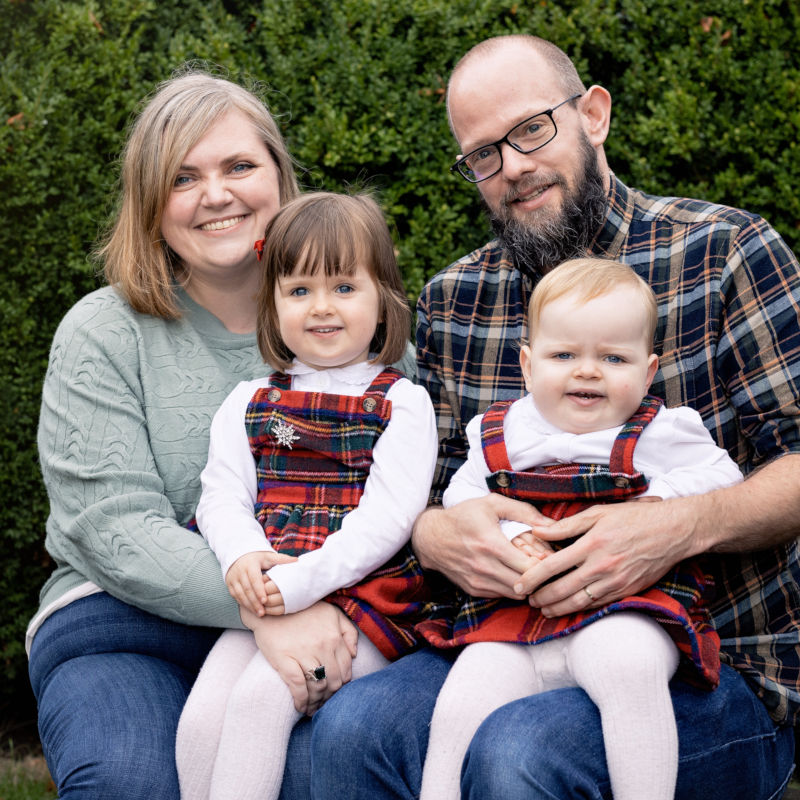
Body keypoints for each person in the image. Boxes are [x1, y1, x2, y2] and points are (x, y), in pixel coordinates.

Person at [304, 34, 800, 800]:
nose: (513, 168)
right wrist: (441, 535)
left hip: (712, 657)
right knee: (349, 730)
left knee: (520, 751)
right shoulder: (453, 300)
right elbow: (420, 490)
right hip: (503, 627)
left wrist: (678, 526)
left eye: (532, 129)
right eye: (482, 155)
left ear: (593, 115)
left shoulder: (725, 252)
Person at [26, 72, 415, 800]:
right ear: (151, 204)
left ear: (279, 176)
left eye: (239, 166)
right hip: (123, 624)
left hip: (331, 616)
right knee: (129, 781)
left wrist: (303, 610)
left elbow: (405, 499)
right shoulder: (103, 333)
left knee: (321, 771)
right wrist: (274, 610)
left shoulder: (360, 323)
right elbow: (115, 530)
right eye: (183, 177)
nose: (217, 194)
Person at [417, 257, 743, 800]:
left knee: (628, 667)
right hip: (516, 618)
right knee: (462, 700)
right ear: (527, 364)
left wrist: (656, 503)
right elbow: (461, 493)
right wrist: (492, 524)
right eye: (563, 354)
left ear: (647, 370)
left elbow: (723, 474)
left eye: (613, 357)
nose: (587, 370)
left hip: (628, 608)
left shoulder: (661, 431)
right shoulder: (501, 430)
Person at [174, 191, 438, 800]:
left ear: (383, 297)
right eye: (299, 291)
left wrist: (298, 584)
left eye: (344, 287)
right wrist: (244, 558)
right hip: (269, 595)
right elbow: (220, 494)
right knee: (203, 716)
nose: (321, 308)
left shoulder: (401, 401)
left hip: (361, 599)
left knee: (260, 704)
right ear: (273, 302)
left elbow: (389, 520)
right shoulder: (249, 399)